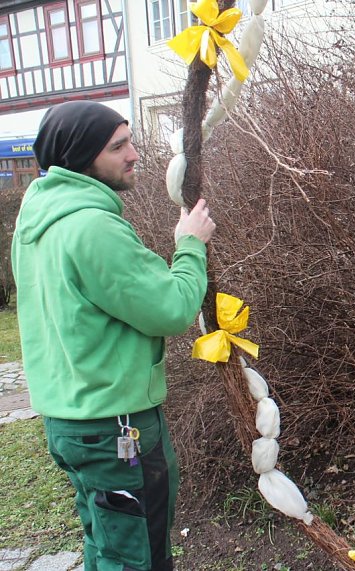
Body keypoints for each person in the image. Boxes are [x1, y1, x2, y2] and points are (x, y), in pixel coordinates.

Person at [11, 101, 215, 570]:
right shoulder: (93, 227)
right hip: (115, 428)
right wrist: (190, 244)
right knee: (136, 556)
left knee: (107, 545)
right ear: (83, 157)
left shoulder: (36, 219)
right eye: (117, 145)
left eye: (130, 140)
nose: (134, 154)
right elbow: (170, 308)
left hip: (68, 424)